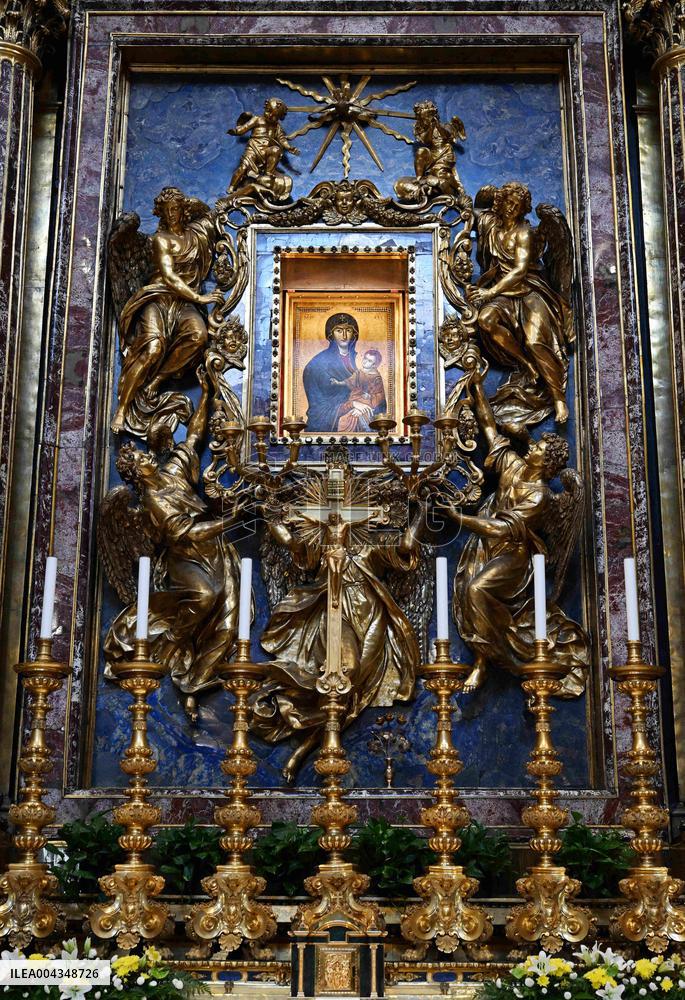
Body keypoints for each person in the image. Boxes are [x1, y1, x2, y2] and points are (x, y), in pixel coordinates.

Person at [437, 365, 589, 695]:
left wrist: (458, 518)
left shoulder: (540, 497)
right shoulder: (514, 467)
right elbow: (490, 428)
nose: (531, 447)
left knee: (476, 591)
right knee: (470, 595)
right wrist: (477, 387)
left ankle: (487, 660)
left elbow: (500, 529)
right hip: (487, 549)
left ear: (547, 464)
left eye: (538, 449)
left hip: (514, 558)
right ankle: (483, 655)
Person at [104, 369, 244, 722]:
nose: (145, 456)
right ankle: (176, 643)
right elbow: (189, 534)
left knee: (228, 627)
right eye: (138, 459)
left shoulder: (173, 472)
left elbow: (195, 436)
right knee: (204, 597)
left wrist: (207, 392)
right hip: (185, 559)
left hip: (216, 554)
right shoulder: (153, 501)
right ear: (135, 473)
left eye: (143, 454)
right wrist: (232, 520)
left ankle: (195, 682)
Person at [251, 504, 425, 781]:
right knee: (346, 671)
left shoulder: (371, 546)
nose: (338, 521)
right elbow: (290, 542)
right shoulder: (319, 545)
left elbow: (405, 545)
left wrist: (422, 508)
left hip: (371, 617)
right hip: (334, 613)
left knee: (353, 687)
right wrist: (270, 514)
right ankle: (307, 747)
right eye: (331, 517)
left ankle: (310, 747)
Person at [111, 187, 223, 435]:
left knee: (199, 336)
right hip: (159, 299)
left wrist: (190, 202)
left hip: (183, 306)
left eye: (176, 209)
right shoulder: (160, 239)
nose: (172, 214)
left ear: (183, 210)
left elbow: (211, 216)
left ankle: (158, 379)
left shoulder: (196, 235)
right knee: (153, 348)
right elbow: (170, 277)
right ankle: (122, 408)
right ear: (161, 213)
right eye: (167, 210)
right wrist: (200, 297)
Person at [467, 181, 571, 424]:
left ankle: (558, 398)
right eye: (509, 203)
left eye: (518, 205)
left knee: (536, 341)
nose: (512, 208)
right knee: (485, 320)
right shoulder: (490, 226)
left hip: (528, 292)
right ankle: (526, 365)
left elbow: (520, 270)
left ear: (524, 209)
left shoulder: (524, 232)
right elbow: (473, 209)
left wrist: (489, 293)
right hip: (503, 296)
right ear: (501, 203)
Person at [302, 312, 365, 433]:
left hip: (360, 415)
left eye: (348, 330)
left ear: (354, 334)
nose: (344, 336)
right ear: (331, 334)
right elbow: (318, 407)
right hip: (331, 423)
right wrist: (350, 405)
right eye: (339, 331)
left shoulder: (362, 359)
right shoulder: (316, 365)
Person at [228, 98, 300, 201]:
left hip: (265, 152)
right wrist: (235, 131)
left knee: (275, 150)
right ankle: (232, 186)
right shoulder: (257, 119)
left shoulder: (277, 126)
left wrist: (289, 147)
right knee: (243, 168)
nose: (270, 116)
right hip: (253, 149)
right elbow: (244, 128)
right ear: (266, 109)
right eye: (268, 112)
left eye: (274, 116)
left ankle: (268, 174)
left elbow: (281, 139)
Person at [332, 348, 387, 432]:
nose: (365, 361)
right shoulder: (358, 373)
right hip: (355, 398)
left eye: (369, 361)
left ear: (374, 365)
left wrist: (370, 396)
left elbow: (379, 395)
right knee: (344, 419)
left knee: (350, 419)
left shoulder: (377, 378)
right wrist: (338, 383)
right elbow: (349, 381)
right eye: (365, 358)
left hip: (369, 402)